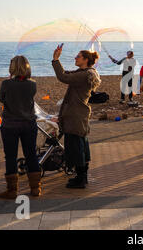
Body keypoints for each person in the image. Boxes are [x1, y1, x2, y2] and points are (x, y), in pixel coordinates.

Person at [52, 46, 101, 189]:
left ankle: (80, 179)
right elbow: (67, 74)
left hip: (75, 116)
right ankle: (81, 177)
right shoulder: (85, 72)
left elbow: (63, 77)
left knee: (77, 147)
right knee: (81, 145)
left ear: (85, 60)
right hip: (79, 115)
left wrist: (55, 60)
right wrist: (57, 61)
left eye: (78, 56)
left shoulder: (84, 75)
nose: (75, 58)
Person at [0, 56, 41, 199]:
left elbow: (1, 98)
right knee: (31, 155)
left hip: (10, 124)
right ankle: (35, 188)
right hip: (28, 123)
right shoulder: (32, 84)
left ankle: (12, 190)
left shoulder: (6, 84)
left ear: (13, 68)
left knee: (10, 156)